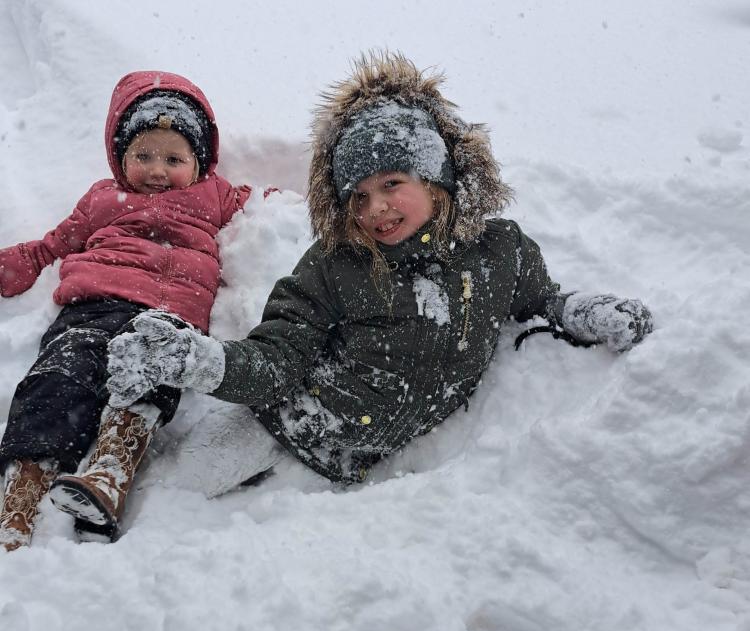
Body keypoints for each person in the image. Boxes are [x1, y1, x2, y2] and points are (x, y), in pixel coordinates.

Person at [105, 52, 653, 506]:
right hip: (292, 420)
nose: (377, 208)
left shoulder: (499, 251)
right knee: (183, 492)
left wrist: (586, 312)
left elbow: (541, 301)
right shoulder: (333, 265)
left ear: (437, 179)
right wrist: (199, 360)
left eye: (392, 183)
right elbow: (275, 358)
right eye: (360, 196)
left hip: (372, 463)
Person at [0, 70, 254, 550]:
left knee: (150, 374)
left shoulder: (216, 194)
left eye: (174, 158)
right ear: (121, 157)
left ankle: (110, 473)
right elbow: (55, 244)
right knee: (57, 379)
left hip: (166, 313)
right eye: (143, 155)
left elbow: (268, 209)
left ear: (200, 161)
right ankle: (21, 494)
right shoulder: (103, 198)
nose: (158, 170)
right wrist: (19, 263)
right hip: (92, 306)